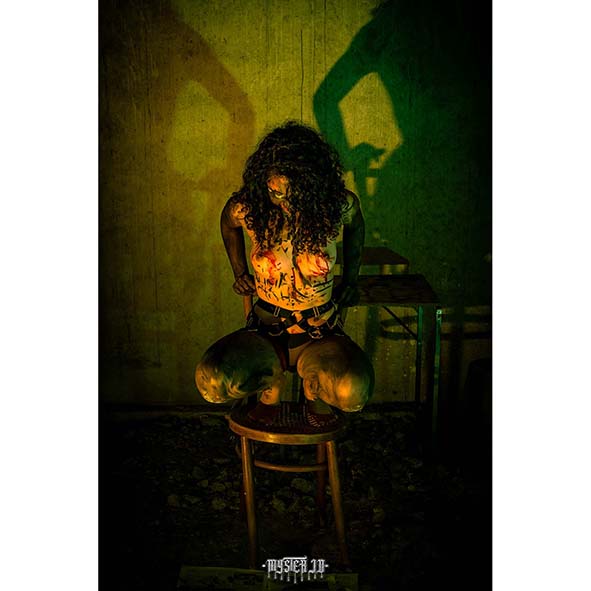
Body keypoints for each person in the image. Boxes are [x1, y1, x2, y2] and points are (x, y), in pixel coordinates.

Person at [195, 122, 374, 426]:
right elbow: (227, 223)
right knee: (211, 382)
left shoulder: (336, 206)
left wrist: (351, 279)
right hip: (265, 332)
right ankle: (270, 386)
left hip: (320, 333)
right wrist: (240, 271)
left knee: (354, 393)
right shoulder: (250, 208)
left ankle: (313, 390)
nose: (283, 203)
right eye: (275, 193)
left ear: (313, 184)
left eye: (293, 194)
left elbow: (356, 225)